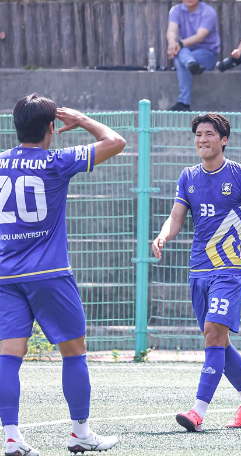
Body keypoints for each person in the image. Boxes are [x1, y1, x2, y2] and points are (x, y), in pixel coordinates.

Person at [0, 94, 126, 455]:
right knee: (74, 352)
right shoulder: (56, 161)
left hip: (6, 275)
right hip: (49, 273)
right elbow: (115, 141)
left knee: (9, 355)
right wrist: (83, 119)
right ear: (52, 127)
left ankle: (11, 438)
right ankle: (80, 433)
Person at [152, 113, 241, 432]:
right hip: (199, 272)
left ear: (224, 139)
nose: (202, 139)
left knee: (214, 336)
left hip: (230, 271)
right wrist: (164, 234)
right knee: (216, 339)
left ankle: (197, 412)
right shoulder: (187, 177)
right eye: (198, 135)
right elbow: (176, 218)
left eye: (209, 134)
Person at [166, 0, 221, 111]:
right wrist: (172, 42)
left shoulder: (208, 12)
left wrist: (179, 44)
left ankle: (183, 103)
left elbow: (200, 36)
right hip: (186, 52)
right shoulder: (176, 10)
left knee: (179, 55)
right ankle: (190, 63)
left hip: (207, 54)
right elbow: (171, 30)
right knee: (180, 53)